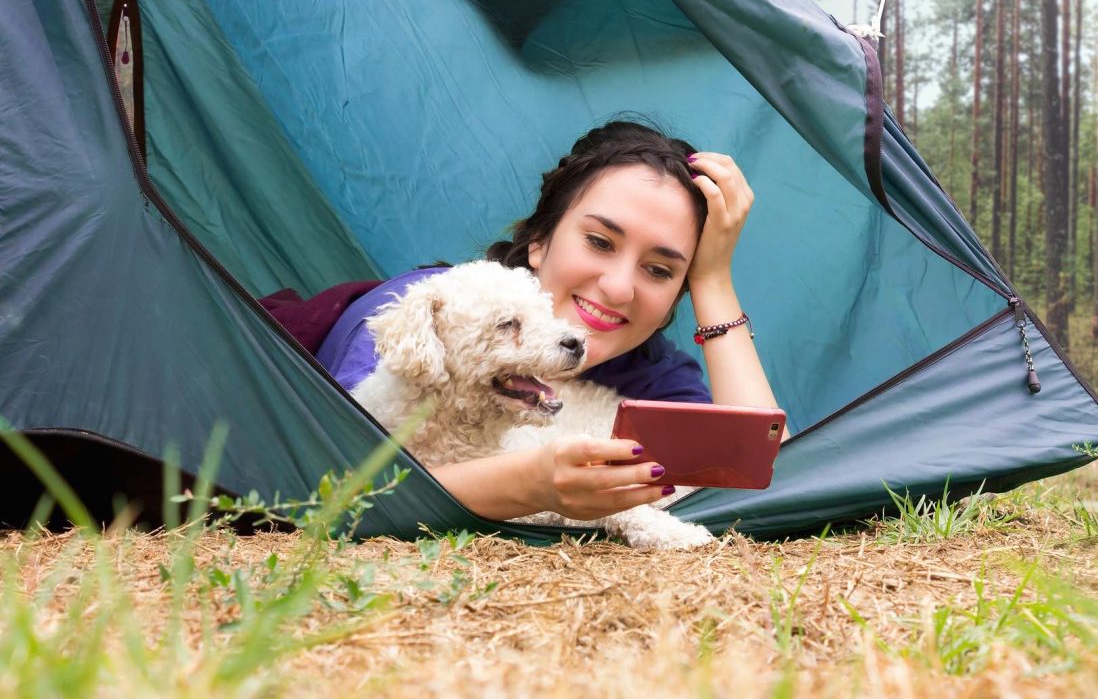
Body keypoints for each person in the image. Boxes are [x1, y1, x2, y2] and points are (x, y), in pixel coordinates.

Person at [318, 119, 781, 522]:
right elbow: (336, 480)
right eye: (600, 242)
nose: (620, 287)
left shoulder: (649, 373)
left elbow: (767, 478)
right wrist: (531, 483)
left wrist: (714, 279)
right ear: (539, 240)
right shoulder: (435, 314)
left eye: (661, 270)